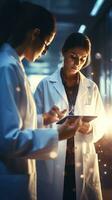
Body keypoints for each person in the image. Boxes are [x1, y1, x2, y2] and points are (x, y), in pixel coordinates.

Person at [0, 2, 82, 200]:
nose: (44, 52)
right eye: (46, 44)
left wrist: (44, 118)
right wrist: (57, 134)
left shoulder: (14, 65)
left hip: (18, 176)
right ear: (34, 34)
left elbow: (14, 122)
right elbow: (7, 139)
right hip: (9, 181)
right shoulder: (6, 68)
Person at [34, 32, 106, 200]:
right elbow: (33, 121)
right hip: (54, 159)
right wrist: (48, 119)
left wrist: (89, 128)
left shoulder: (91, 88)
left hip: (82, 160)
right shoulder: (45, 85)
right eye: (73, 57)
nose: (77, 63)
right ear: (64, 52)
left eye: (83, 59)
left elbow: (101, 123)